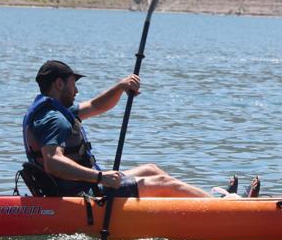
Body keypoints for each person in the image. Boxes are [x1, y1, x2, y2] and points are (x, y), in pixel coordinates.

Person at [22, 60, 222, 198]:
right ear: (59, 83)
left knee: (150, 169)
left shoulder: (61, 112)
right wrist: (101, 177)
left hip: (88, 185)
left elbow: (95, 106)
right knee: (163, 182)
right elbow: (53, 163)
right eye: (73, 84)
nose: (77, 91)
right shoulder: (53, 119)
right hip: (85, 194)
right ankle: (222, 207)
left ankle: (197, 202)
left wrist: (120, 87)